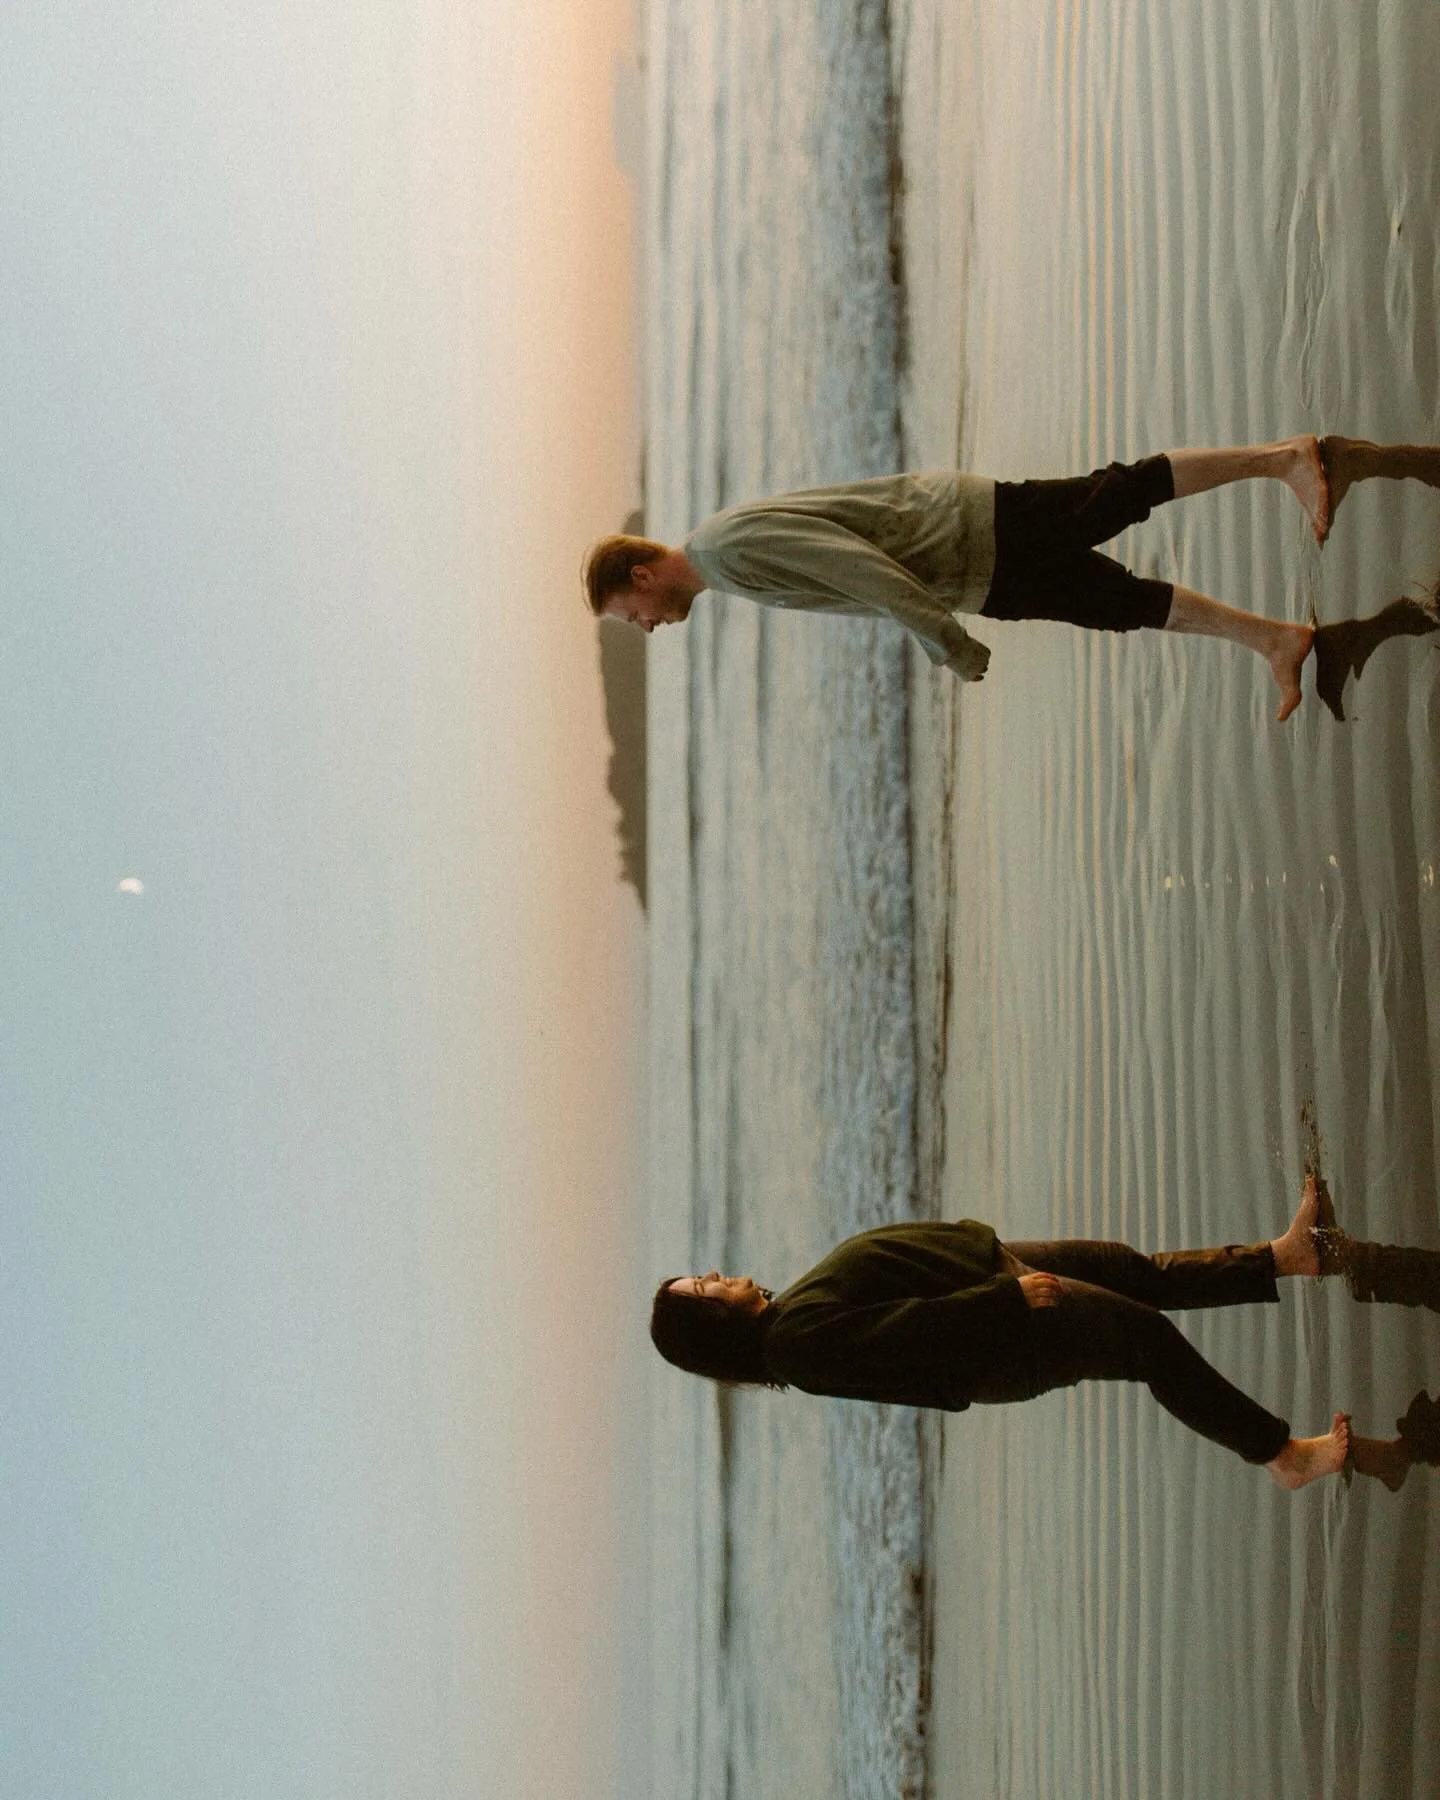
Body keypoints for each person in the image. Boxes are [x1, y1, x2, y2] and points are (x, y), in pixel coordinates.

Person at [587, 435, 1440, 723]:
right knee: (1119, 607)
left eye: (631, 616)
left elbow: (863, 570)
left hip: (969, 532)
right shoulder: (729, 564)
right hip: (971, 566)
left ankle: (1287, 457)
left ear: (638, 574)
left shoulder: (728, 553)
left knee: (1123, 493)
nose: (645, 628)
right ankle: (1280, 641)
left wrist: (949, 645)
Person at [649, 1176, 1351, 1493]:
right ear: (714, 1320)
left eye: (702, 1275)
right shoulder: (795, 1341)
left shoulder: (785, 1321)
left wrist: (991, 1274)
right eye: (705, 1288)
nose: (716, 1275)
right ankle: (1280, 1454)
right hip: (1003, 1328)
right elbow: (909, 1334)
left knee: (1129, 1271)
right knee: (1146, 1340)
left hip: (992, 1277)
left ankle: (1286, 1256)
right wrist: (1004, 1302)